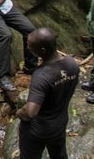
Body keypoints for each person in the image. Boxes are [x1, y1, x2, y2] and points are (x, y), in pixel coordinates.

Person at [17, 27, 79, 159]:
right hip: (59, 123)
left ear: (42, 51)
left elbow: (31, 112)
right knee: (59, 155)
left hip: (38, 130)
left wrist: (20, 112)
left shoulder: (41, 76)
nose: (27, 47)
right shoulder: (72, 63)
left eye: (29, 45)